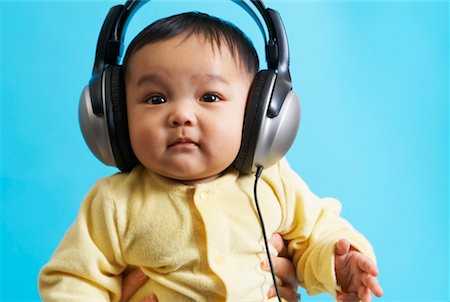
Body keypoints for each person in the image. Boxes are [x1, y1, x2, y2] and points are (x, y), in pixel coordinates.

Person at [38, 12, 383, 302]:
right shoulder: (114, 203)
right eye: (156, 99)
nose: (181, 115)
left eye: (210, 96)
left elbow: (317, 234)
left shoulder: (273, 180)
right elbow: (72, 280)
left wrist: (340, 263)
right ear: (115, 116)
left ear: (256, 115)